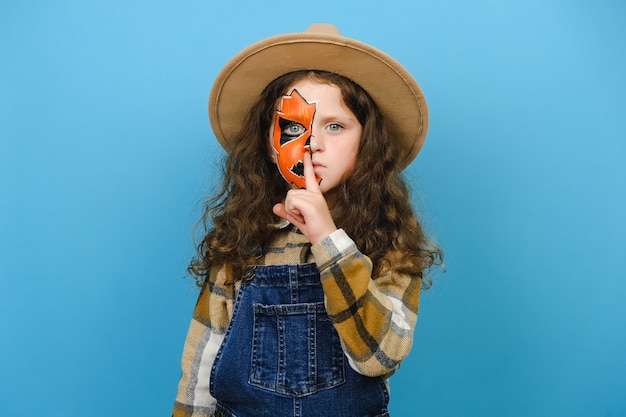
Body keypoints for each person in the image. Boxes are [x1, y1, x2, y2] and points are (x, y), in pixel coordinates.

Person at [172, 23, 443, 417]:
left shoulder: (390, 243)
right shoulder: (243, 239)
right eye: (295, 128)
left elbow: (379, 357)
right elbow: (202, 358)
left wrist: (327, 238)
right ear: (268, 144)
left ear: (367, 143)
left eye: (335, 126)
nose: (313, 143)